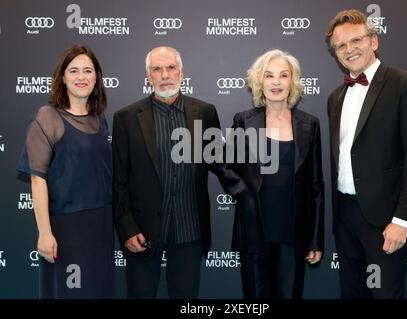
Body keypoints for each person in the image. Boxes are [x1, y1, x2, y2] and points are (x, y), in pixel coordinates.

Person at [112, 46, 248, 299]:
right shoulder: (126, 118)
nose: (165, 74)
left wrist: (247, 191)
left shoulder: (205, 112)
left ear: (181, 73)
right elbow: (119, 181)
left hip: (189, 229)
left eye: (171, 68)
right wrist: (127, 228)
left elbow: (218, 161)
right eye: (157, 69)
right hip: (143, 231)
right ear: (148, 76)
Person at [326, 9, 407, 298]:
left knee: (385, 294)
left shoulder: (405, 84)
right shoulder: (336, 97)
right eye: (341, 45)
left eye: (356, 40)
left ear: (374, 41)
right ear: (335, 53)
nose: (349, 49)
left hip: (385, 219)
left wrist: (401, 220)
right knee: (353, 294)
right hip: (345, 217)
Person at [17, 44, 114, 298]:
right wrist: (45, 233)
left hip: (101, 225)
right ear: (62, 77)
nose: (81, 77)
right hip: (67, 229)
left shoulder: (99, 118)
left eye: (87, 71)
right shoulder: (48, 117)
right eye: (74, 71)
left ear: (96, 77)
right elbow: (38, 180)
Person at [228, 49, 324, 299]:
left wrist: (316, 240)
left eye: (283, 75)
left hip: (293, 234)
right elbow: (227, 165)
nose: (276, 82)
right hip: (253, 231)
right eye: (269, 76)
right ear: (260, 81)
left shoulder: (310, 124)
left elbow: (316, 187)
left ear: (293, 81)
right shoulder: (243, 120)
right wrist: (243, 193)